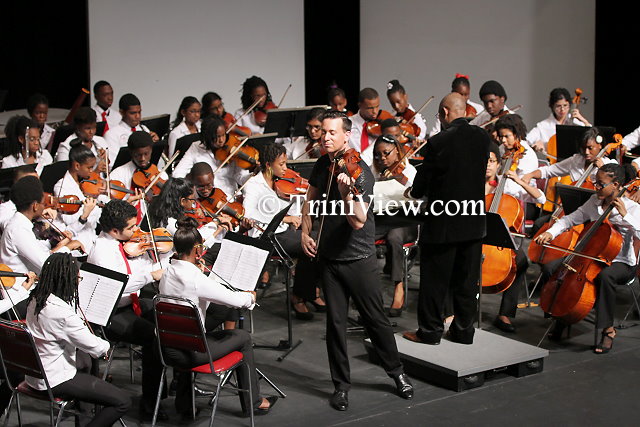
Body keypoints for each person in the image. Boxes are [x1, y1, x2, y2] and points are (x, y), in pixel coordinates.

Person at [301, 110, 413, 411]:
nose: (325, 138)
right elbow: (309, 199)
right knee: (335, 325)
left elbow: (359, 221)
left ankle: (397, 373)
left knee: (375, 320)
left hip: (359, 258)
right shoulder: (322, 163)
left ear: (346, 135)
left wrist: (345, 194)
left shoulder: (359, 172)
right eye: (323, 132)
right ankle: (341, 386)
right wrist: (306, 232)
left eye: (332, 133)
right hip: (329, 258)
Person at [158, 217, 278, 419]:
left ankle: (185, 406)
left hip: (168, 348)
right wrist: (250, 297)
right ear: (197, 249)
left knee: (191, 333)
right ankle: (253, 403)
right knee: (243, 337)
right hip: (192, 354)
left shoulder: (167, 272)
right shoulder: (196, 279)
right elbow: (236, 301)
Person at [402, 93, 490, 345]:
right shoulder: (483, 138)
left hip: (444, 222)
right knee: (466, 282)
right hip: (474, 220)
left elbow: (424, 182)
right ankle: (464, 331)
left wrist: (414, 192)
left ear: (444, 112)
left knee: (435, 281)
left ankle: (430, 332)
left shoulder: (439, 141)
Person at [534, 163, 640, 353]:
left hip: (621, 262)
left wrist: (625, 216)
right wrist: (551, 232)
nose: (596, 187)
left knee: (605, 277)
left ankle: (608, 330)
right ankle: (562, 316)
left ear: (616, 185)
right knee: (551, 268)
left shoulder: (632, 208)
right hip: (590, 256)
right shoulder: (594, 201)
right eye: (596, 182)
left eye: (600, 184)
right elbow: (570, 219)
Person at [25, 253, 131, 426]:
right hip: (55, 380)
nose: (78, 282)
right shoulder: (61, 314)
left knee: (84, 361)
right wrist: (106, 345)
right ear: (67, 280)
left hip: (35, 374)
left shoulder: (36, 299)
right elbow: (97, 348)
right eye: (78, 278)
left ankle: (84, 416)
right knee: (123, 401)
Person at [87, 199, 166, 420]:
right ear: (114, 230)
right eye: (131, 227)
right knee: (155, 337)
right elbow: (120, 284)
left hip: (131, 304)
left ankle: (166, 389)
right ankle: (150, 406)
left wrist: (162, 259)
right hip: (109, 313)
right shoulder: (102, 252)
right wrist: (151, 275)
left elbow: (142, 269)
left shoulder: (123, 243)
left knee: (167, 316)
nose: (136, 231)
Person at [243, 142, 324, 318]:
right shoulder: (253, 185)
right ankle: (300, 296)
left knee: (321, 239)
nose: (286, 168)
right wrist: (286, 219)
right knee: (310, 246)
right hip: (266, 236)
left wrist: (298, 216)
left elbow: (293, 207)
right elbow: (249, 215)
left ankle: (308, 291)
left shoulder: (282, 182)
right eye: (281, 164)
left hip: (284, 232)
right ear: (268, 165)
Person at [484, 142, 545, 332]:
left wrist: (520, 181)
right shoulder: (471, 183)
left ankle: (505, 313)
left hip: (498, 243)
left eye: (492, 161)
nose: (487, 165)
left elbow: (541, 198)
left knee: (521, 262)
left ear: (498, 164)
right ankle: (453, 310)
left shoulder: (508, 185)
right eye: (484, 161)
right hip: (474, 238)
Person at [522, 127, 617, 233]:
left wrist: (602, 168)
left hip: (594, 214)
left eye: (590, 148)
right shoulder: (576, 161)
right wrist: (530, 175)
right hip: (571, 211)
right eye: (584, 148)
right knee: (539, 225)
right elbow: (549, 171)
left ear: (600, 145)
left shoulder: (610, 165)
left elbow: (616, 191)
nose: (586, 152)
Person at [0, 176, 83, 281]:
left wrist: (61, 245)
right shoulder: (18, 229)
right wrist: (69, 246)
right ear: (35, 206)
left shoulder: (23, 224)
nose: (45, 207)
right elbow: (47, 263)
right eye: (43, 204)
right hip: (22, 288)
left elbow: (43, 255)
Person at [371, 134, 418, 316]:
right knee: (361, 235)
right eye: (377, 155)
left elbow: (417, 197)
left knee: (394, 237)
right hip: (381, 219)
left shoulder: (409, 171)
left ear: (397, 151)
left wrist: (400, 179)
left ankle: (399, 289)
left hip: (405, 221)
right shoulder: (375, 172)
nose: (382, 159)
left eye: (386, 153)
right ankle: (366, 287)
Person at [172, 116, 251, 198]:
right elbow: (177, 174)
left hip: (231, 197)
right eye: (217, 137)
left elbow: (241, 177)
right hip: (205, 199)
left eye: (223, 135)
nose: (221, 140)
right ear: (207, 136)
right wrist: (192, 184)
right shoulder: (195, 147)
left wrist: (252, 175)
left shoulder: (233, 149)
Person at [52, 144, 103, 250]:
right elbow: (69, 220)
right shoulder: (61, 186)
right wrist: (87, 212)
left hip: (93, 238)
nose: (91, 171)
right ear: (77, 166)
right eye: (89, 167)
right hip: (77, 243)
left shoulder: (88, 184)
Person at [526, 87, 590, 153]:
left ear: (569, 105)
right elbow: (526, 141)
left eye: (565, 105)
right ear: (552, 106)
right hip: (551, 159)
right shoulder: (542, 126)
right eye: (558, 106)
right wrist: (536, 144)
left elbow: (591, 136)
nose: (562, 109)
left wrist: (584, 121)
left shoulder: (575, 122)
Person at [103, 93, 159, 162]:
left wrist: (155, 145)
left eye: (139, 112)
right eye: (133, 113)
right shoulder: (112, 134)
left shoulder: (144, 129)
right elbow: (113, 162)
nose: (137, 116)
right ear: (122, 112)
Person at [55, 106, 108, 172]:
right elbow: (64, 173)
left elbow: (110, 169)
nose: (91, 132)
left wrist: (106, 160)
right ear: (78, 128)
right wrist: (96, 172)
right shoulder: (66, 147)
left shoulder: (101, 141)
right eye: (87, 128)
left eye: (94, 127)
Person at [348, 87, 389, 166]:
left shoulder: (381, 124)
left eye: (377, 106)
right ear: (360, 105)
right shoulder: (348, 123)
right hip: (354, 166)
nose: (375, 111)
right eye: (370, 108)